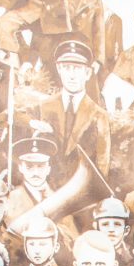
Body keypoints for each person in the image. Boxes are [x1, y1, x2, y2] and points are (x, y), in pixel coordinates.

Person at [33, 37, 112, 193]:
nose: (72, 75)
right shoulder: (43, 107)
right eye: (67, 68)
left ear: (88, 73)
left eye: (77, 68)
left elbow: (102, 163)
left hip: (82, 194)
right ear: (59, 70)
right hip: (47, 192)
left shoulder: (98, 115)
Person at [91, 196, 134, 266]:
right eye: (105, 224)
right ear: (96, 228)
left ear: (126, 230)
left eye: (117, 224)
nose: (111, 229)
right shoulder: (88, 255)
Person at [95, 0, 123, 80]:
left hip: (108, 66)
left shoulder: (116, 20)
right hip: (91, 64)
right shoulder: (90, 15)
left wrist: (116, 69)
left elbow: (119, 47)